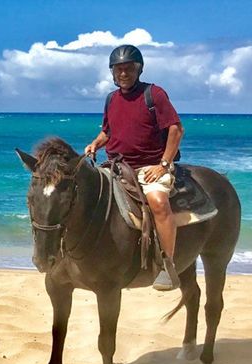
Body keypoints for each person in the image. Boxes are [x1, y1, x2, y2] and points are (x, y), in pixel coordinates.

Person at [84, 45, 184, 291]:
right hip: (116, 166)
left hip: (150, 167)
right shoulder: (111, 99)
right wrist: (95, 143)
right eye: (118, 69)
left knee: (158, 203)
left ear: (139, 69)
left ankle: (167, 265)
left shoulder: (154, 94)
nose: (123, 74)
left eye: (129, 68)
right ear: (112, 72)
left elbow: (176, 129)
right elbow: (108, 131)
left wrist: (163, 165)